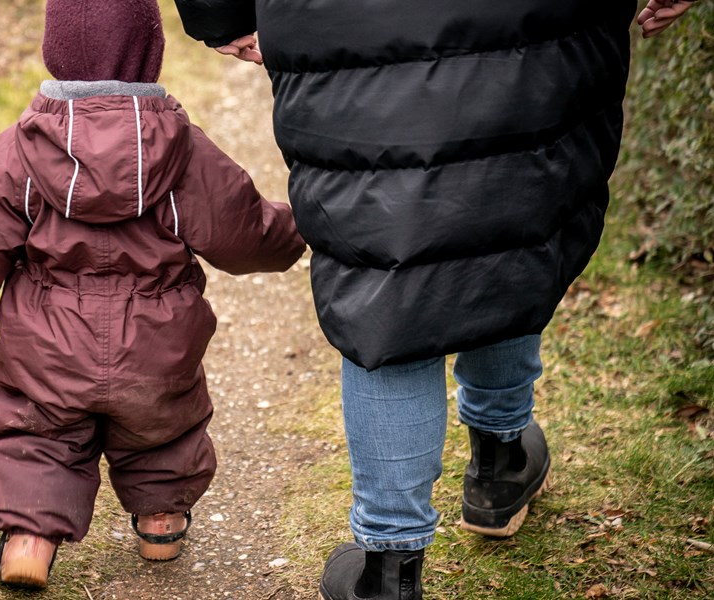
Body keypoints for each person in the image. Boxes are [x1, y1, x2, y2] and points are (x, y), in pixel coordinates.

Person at [174, 0, 699, 598]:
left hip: (345, 22)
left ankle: (390, 569)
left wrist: (222, 12)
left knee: (386, 280)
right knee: (507, 214)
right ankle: (501, 464)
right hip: (533, 21)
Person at [0, 0, 305, 589]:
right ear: (149, 53)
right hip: (156, 342)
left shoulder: (20, 147)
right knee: (164, 426)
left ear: (55, 52)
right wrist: (294, 232)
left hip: (47, 343)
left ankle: (29, 537)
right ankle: (161, 521)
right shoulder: (183, 148)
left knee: (34, 430)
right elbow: (242, 229)